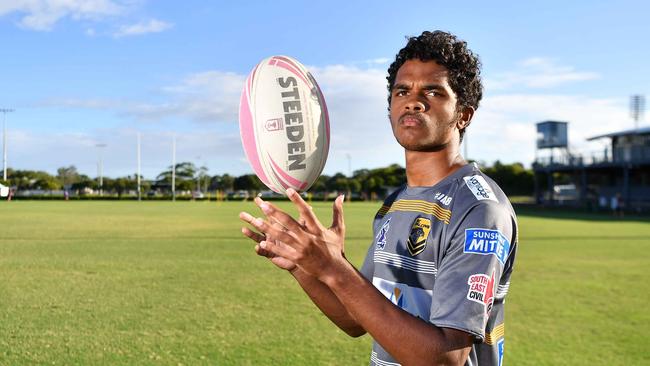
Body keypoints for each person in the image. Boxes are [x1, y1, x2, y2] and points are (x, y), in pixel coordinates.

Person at [239, 30, 518, 366]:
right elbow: (355, 319)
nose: (413, 100)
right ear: (390, 110)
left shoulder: (478, 208)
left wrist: (336, 268)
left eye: (433, 91)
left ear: (464, 115)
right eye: (402, 91)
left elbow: (445, 359)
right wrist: (304, 264)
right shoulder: (397, 202)